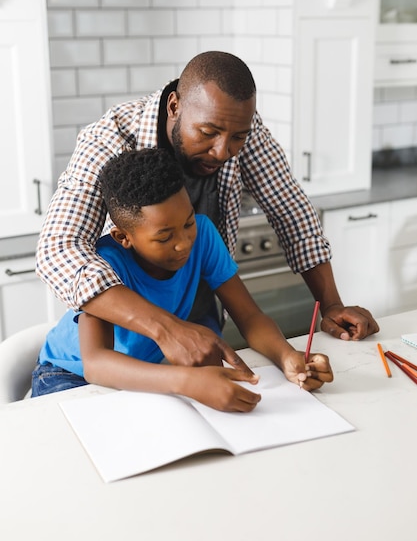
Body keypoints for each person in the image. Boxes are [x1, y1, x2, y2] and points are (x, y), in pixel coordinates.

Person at [36, 51, 378, 372]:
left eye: (237, 139)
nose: (222, 151)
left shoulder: (236, 122)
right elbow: (58, 250)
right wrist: (166, 329)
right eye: (207, 133)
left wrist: (331, 304)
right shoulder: (110, 139)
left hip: (202, 322)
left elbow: (291, 209)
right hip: (133, 337)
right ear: (175, 106)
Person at [32, 148, 334, 410]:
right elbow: (96, 364)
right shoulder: (106, 264)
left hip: (132, 376)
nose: (184, 243)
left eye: (187, 222)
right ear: (123, 237)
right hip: (67, 376)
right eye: (164, 237)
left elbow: (250, 316)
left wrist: (287, 357)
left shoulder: (203, 235)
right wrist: (189, 382)